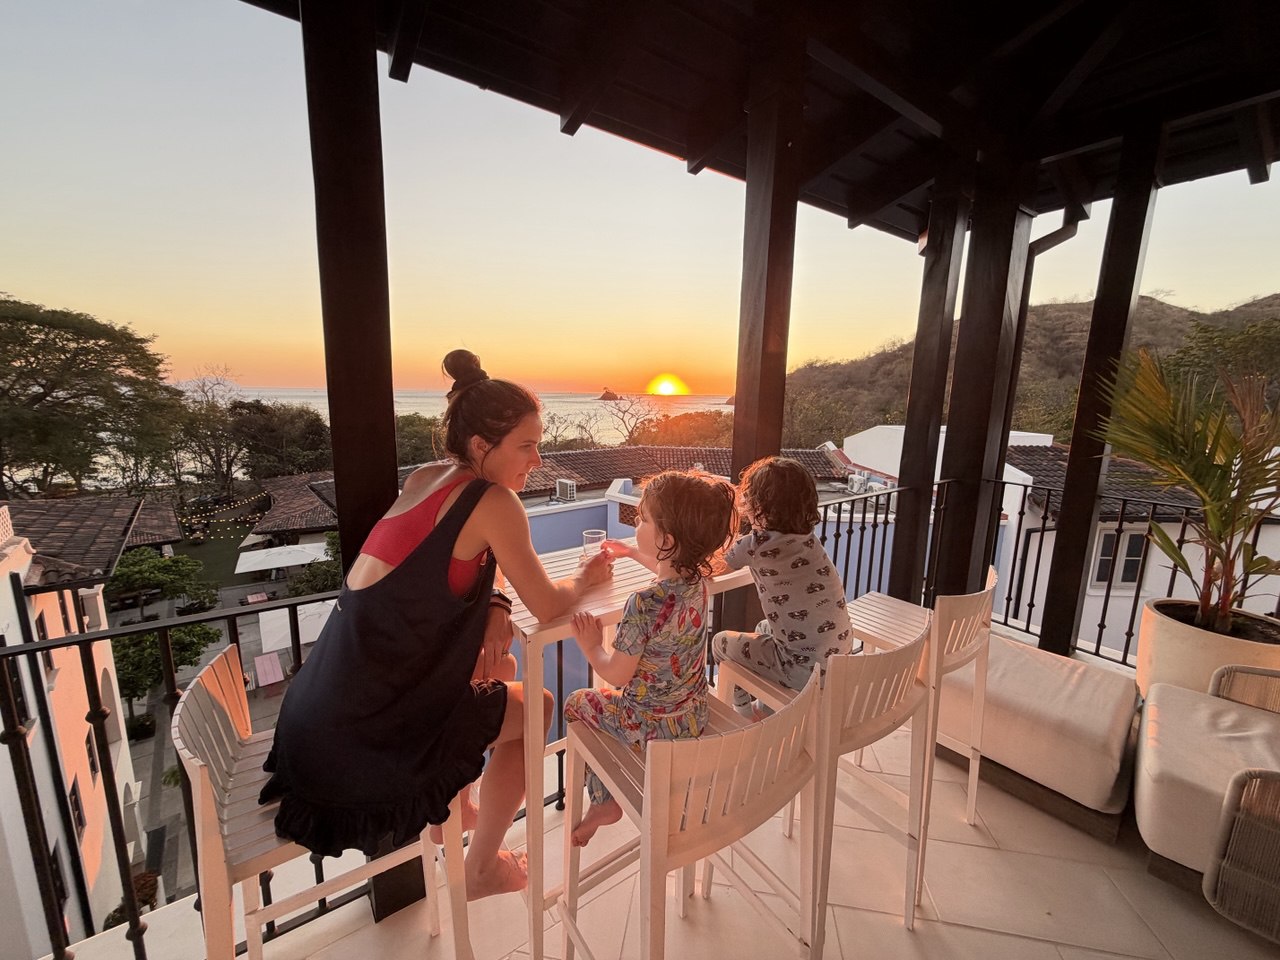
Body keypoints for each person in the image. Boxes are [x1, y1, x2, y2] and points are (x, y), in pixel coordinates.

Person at [259, 349, 613, 900]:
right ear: (481, 447)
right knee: (540, 704)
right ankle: (480, 870)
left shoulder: (426, 478)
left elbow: (447, 565)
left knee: (502, 663)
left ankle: (466, 807)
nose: (538, 459)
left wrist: (496, 606)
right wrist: (588, 578)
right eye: (526, 445)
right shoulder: (495, 500)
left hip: (316, 718)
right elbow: (546, 604)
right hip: (361, 742)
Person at [563, 470, 737, 847]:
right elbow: (667, 570)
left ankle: (604, 800)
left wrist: (591, 644)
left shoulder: (643, 604)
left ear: (667, 539)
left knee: (576, 702)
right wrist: (631, 553)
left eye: (642, 519)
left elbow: (617, 675)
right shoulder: (696, 583)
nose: (636, 522)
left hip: (646, 726)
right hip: (691, 717)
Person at [711, 456, 853, 717]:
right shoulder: (807, 539)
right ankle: (767, 708)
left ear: (756, 505)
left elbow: (712, 568)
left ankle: (742, 714)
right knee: (763, 628)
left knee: (720, 643)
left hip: (801, 670)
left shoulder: (754, 545)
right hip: (837, 661)